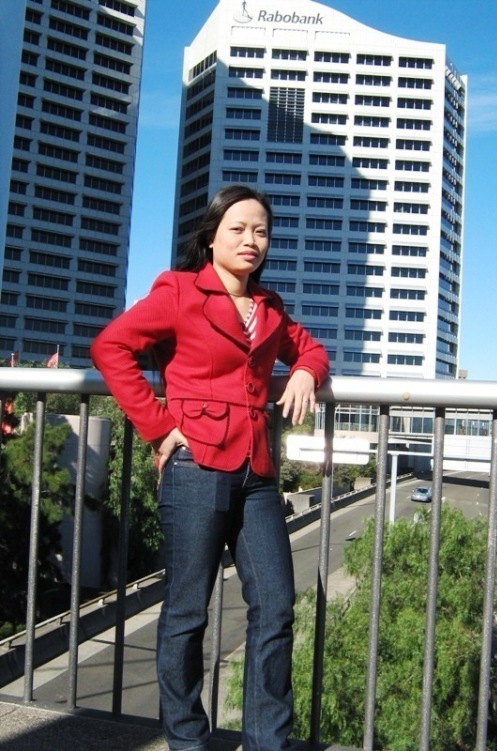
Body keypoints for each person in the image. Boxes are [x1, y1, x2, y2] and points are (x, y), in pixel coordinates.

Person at [90, 185, 330, 751]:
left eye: (261, 231)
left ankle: (267, 739)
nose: (252, 240)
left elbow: (313, 349)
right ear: (212, 236)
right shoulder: (178, 291)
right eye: (239, 229)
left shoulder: (269, 307)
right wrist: (156, 425)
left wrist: (302, 373)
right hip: (195, 464)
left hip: (258, 473)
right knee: (187, 611)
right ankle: (188, 739)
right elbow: (110, 348)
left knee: (275, 604)